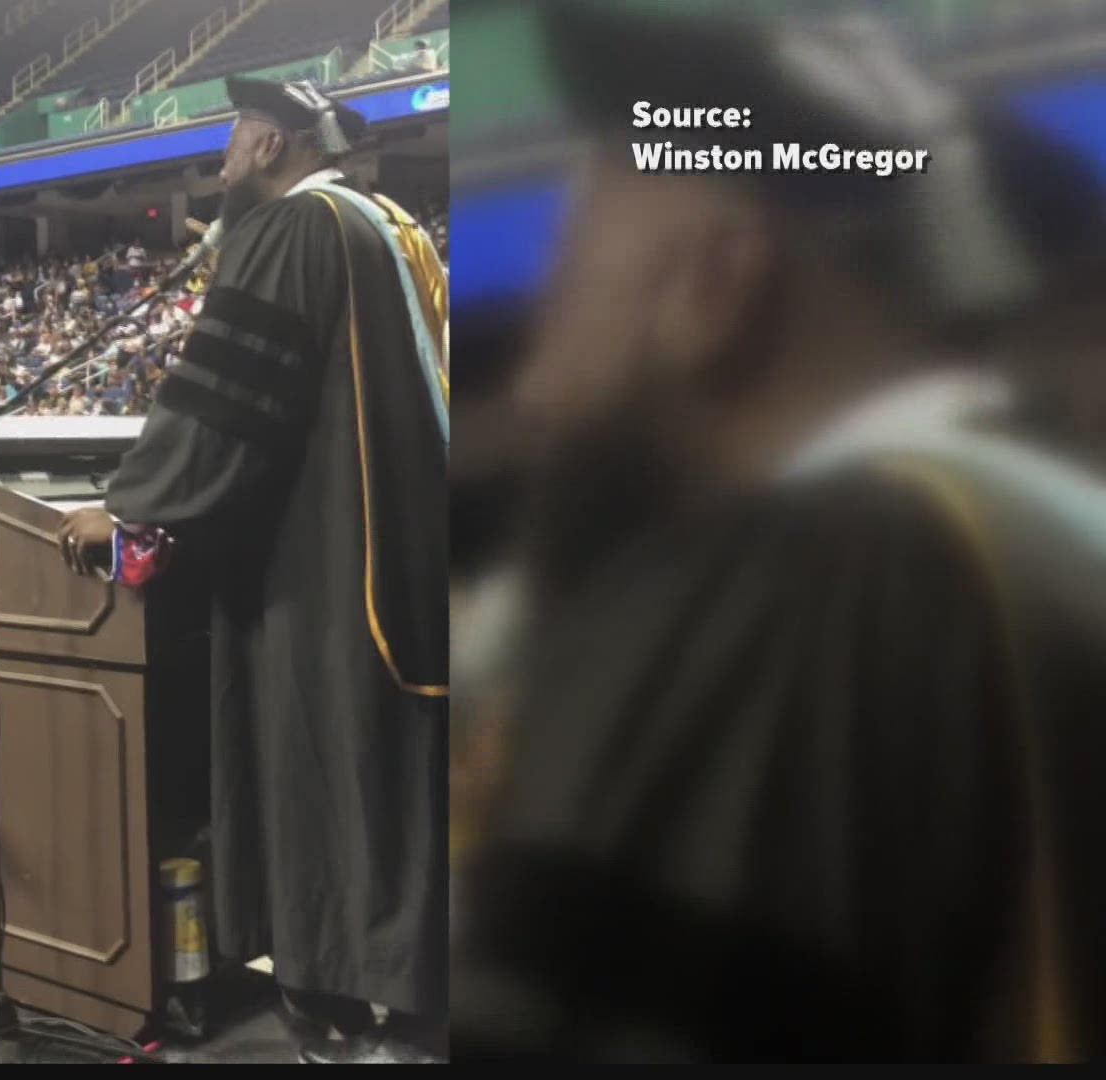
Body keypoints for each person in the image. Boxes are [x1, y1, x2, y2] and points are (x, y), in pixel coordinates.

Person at [453, 1, 1106, 1063]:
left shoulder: (807, 595)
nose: (531, 370)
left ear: (716, 284)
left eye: (571, 268)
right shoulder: (1039, 531)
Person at [55, 76, 450, 1063]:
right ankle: (408, 996)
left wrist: (132, 506)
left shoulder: (292, 230)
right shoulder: (389, 225)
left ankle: (342, 1000)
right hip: (398, 545)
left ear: (272, 145)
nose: (225, 156)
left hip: (321, 567)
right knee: (393, 773)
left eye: (235, 136)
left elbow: (229, 405)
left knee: (330, 761)